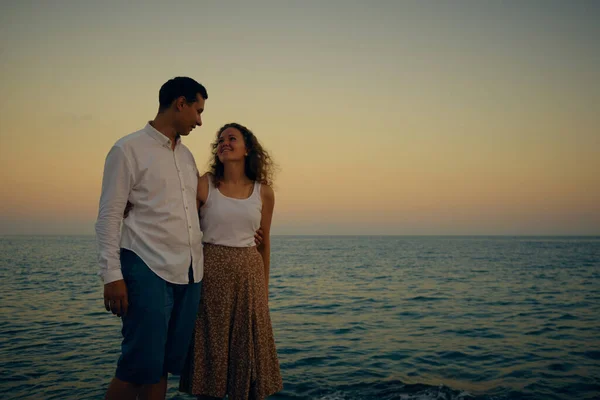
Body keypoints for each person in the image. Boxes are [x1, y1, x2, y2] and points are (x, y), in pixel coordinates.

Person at [95, 77, 208, 400]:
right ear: (180, 103)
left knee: (159, 367)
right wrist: (112, 276)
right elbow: (109, 216)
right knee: (135, 367)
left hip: (189, 274)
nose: (200, 120)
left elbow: (191, 211)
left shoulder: (186, 157)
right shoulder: (127, 149)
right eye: (197, 111)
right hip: (146, 268)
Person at [179, 123, 283, 400]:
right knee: (210, 355)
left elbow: (264, 243)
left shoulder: (264, 191)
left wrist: (264, 290)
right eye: (220, 140)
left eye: (231, 138)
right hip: (211, 275)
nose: (224, 143)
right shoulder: (206, 183)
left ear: (247, 148)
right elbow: (174, 206)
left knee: (246, 356)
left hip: (249, 277)